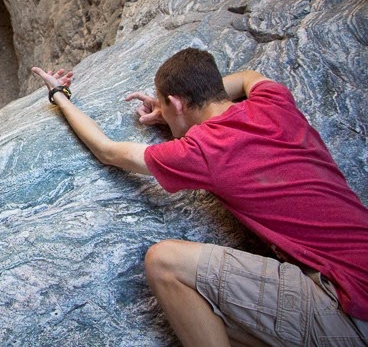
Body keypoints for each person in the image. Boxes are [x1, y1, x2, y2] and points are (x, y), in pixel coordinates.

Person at [32, 47, 368, 346]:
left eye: (164, 103)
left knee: (164, 262)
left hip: (347, 303)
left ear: (176, 103)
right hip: (357, 280)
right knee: (207, 320)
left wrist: (59, 94)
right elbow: (249, 77)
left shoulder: (202, 150)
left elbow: (108, 151)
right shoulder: (274, 101)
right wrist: (177, 109)